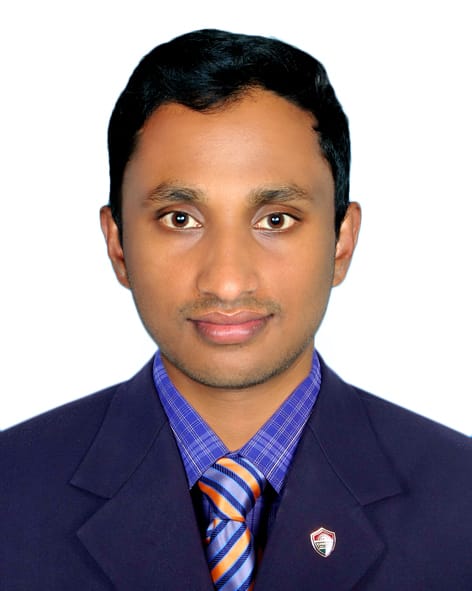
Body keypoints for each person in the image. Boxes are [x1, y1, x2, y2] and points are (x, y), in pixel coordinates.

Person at [1, 29, 471, 591]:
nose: (226, 282)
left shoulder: (461, 499)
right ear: (118, 244)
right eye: (180, 219)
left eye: (275, 219)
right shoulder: (11, 491)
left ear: (341, 243)